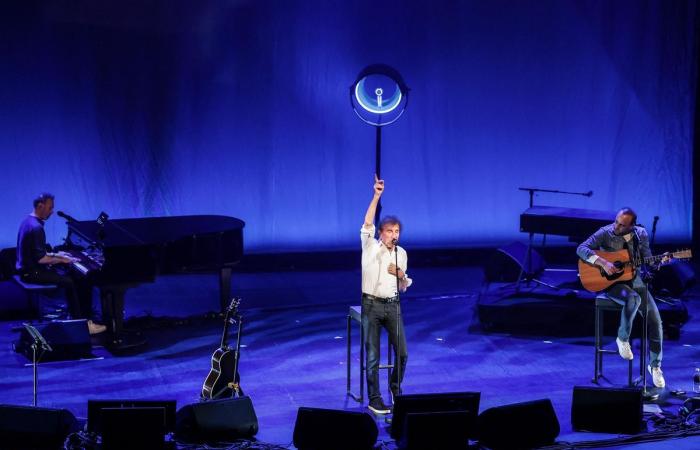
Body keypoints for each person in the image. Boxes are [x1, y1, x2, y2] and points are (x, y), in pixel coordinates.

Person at [576, 207, 665, 388]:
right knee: (633, 299)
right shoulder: (605, 233)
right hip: (613, 284)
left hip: (637, 281)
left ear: (631, 226)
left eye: (622, 225)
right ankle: (622, 339)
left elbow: (648, 261)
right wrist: (603, 262)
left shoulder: (640, 234)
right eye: (616, 221)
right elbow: (581, 248)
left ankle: (655, 366)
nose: (616, 226)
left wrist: (659, 262)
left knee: (656, 321)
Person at [16, 193, 106, 335]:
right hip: (32, 273)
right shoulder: (36, 228)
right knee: (69, 281)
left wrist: (58, 255)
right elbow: (41, 259)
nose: (51, 212)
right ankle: (82, 325)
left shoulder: (28, 221)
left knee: (71, 275)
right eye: (50, 208)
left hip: (27, 268)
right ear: (40, 206)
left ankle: (78, 317)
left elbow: (37, 253)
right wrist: (63, 259)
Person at [361, 175, 412, 414]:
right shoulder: (370, 245)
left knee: (402, 353)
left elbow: (403, 286)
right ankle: (374, 398)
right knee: (373, 356)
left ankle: (395, 387)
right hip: (371, 305)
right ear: (381, 232)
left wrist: (401, 275)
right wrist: (377, 195)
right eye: (390, 231)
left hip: (393, 306)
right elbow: (367, 222)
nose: (394, 234)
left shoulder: (401, 254)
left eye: (397, 231)